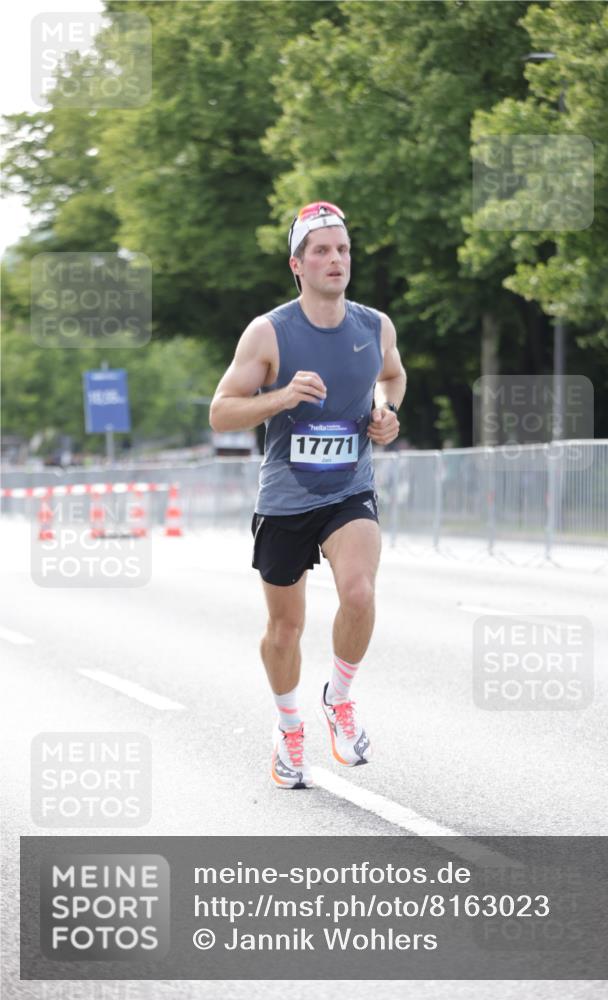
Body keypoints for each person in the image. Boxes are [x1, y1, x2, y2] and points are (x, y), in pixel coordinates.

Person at [209, 201, 406, 789]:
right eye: (320, 250)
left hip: (349, 487)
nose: (335, 259)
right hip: (286, 499)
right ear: (297, 264)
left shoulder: (374, 326)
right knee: (285, 630)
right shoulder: (270, 332)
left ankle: (338, 698)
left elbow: (391, 375)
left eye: (342, 249)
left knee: (360, 591)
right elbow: (222, 412)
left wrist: (386, 411)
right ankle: (289, 726)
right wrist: (281, 397)